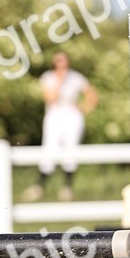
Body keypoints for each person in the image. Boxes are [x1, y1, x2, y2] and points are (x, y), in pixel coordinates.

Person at [24, 52, 98, 201]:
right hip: (55, 115)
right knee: (50, 148)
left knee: (70, 149)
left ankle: (67, 188)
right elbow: (50, 99)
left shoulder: (76, 77)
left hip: (72, 115)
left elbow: (92, 94)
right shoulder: (48, 78)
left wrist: (83, 108)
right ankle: (40, 186)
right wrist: (59, 81)